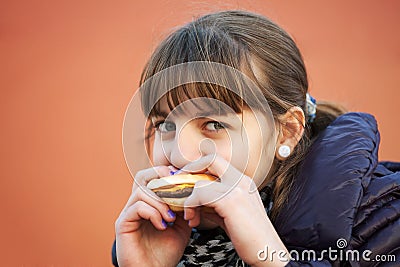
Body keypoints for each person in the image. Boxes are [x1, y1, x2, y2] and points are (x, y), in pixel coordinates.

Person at [113, 10, 400, 266]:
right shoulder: (152, 237)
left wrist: (273, 259)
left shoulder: (384, 222)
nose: (179, 155)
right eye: (165, 125)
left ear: (287, 132)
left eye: (213, 123)